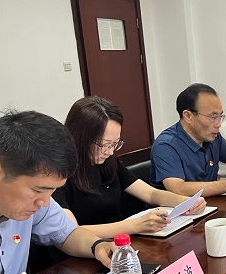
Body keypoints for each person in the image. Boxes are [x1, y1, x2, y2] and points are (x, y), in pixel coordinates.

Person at [0, 110, 115, 274]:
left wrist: (98, 246)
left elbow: (67, 234)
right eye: (37, 190)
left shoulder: (36, 203)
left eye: (52, 191)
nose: (44, 202)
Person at [53, 96, 207, 238]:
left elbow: (150, 194)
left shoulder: (109, 162)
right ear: (81, 137)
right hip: (85, 251)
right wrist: (136, 225)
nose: (110, 151)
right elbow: (71, 233)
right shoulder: (58, 173)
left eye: (115, 144)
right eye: (105, 145)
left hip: (119, 242)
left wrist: (187, 203)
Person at [150, 83, 226, 197]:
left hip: (208, 204)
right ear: (188, 116)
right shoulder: (166, 145)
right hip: (172, 210)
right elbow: (178, 188)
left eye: (220, 116)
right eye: (213, 117)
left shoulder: (213, 137)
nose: (218, 124)